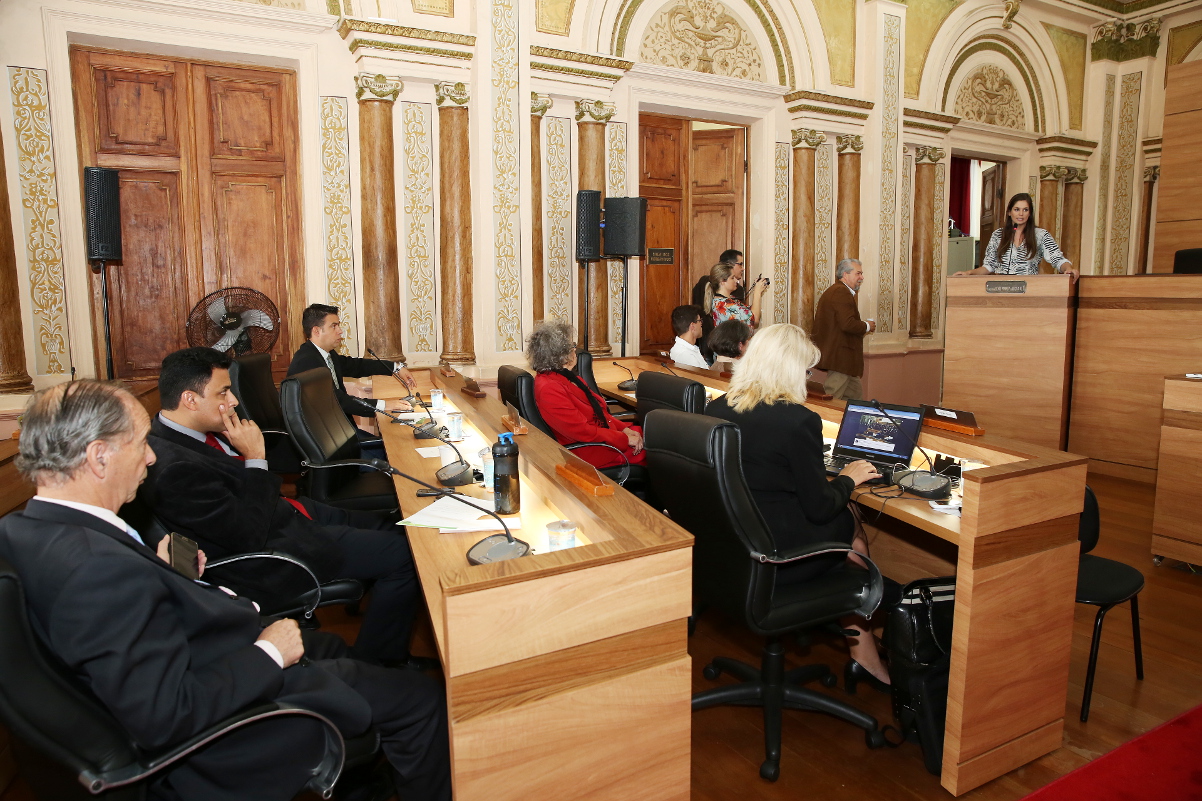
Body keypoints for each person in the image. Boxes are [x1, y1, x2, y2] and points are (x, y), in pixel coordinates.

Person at [0, 380, 451, 801]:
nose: (151, 458)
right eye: (140, 444)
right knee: (423, 702)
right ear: (99, 457)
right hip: (233, 721)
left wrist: (165, 575)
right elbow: (165, 716)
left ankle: (365, 774)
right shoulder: (98, 570)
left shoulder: (24, 529)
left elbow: (117, 621)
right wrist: (269, 653)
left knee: (336, 646)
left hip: (214, 650)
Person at [141, 347, 424, 668]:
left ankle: (387, 623)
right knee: (405, 557)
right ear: (190, 400)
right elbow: (247, 534)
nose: (233, 400)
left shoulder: (192, 433)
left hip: (290, 513)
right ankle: (380, 663)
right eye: (223, 391)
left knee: (395, 530)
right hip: (277, 550)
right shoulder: (173, 467)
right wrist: (255, 457)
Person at [706, 324, 891, 690]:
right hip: (774, 557)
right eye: (807, 370)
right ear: (791, 370)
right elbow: (820, 509)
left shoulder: (718, 407)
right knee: (850, 519)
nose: (809, 378)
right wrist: (849, 477)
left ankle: (862, 649)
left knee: (846, 514)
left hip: (728, 549)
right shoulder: (798, 421)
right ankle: (864, 652)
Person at [527, 320, 646, 471]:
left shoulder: (566, 377)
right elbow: (582, 432)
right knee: (662, 450)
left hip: (605, 439)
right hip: (593, 452)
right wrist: (625, 438)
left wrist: (625, 430)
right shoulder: (548, 388)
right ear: (561, 354)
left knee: (656, 433)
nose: (575, 350)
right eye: (572, 346)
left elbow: (602, 414)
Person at [288, 303, 415, 439]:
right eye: (334, 326)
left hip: (339, 432)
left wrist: (396, 367)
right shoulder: (307, 361)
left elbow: (357, 366)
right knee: (394, 444)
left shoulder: (325, 355)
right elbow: (337, 401)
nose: (340, 331)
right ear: (317, 331)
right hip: (328, 440)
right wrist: (384, 405)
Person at [952, 192, 1078, 281]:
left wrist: (1069, 269)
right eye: (1017, 209)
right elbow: (989, 266)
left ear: (1030, 213)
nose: (1021, 214)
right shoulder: (998, 235)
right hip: (1000, 288)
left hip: (1029, 289)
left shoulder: (1040, 235)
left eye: (1025, 210)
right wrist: (968, 273)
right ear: (1009, 212)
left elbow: (1058, 259)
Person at [813, 258, 874, 401]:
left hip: (846, 361)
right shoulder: (841, 292)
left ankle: (851, 423)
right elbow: (847, 324)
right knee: (832, 398)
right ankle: (824, 423)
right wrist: (867, 325)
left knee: (855, 401)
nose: (861, 277)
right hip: (841, 358)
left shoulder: (838, 291)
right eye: (858, 273)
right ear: (845, 274)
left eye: (861, 274)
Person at [704, 261, 766, 329]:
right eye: (732, 278)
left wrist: (758, 289)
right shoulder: (724, 305)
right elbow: (754, 320)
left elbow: (749, 313)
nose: (736, 281)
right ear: (722, 282)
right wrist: (757, 292)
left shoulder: (729, 300)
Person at [668, 304, 709, 369]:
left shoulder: (688, 349)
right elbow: (702, 378)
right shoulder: (685, 355)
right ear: (692, 326)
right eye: (699, 321)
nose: (701, 323)